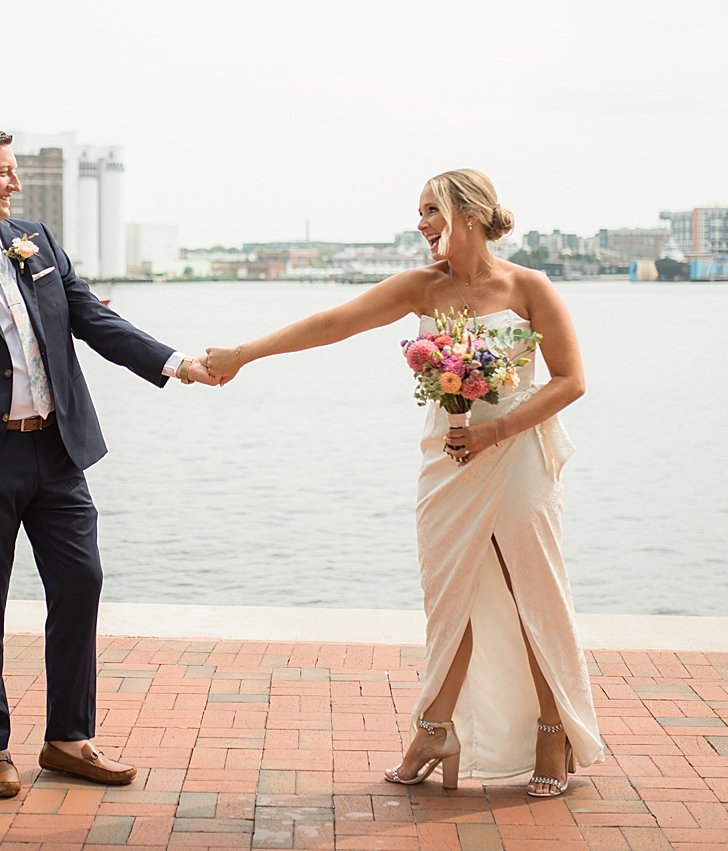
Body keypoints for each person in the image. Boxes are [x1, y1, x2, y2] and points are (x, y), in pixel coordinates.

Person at [201, 169, 604, 796]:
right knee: (449, 598)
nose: (420, 225)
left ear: (467, 213)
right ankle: (436, 728)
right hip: (447, 458)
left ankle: (553, 735)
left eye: (429, 212)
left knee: (533, 591)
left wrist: (497, 432)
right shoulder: (423, 288)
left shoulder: (530, 287)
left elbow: (569, 381)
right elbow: (333, 322)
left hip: (516, 455)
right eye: (419, 214)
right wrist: (243, 354)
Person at [0, 124, 219, 799]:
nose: (15, 183)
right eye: (2, 170)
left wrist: (175, 362)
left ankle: (67, 739)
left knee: (82, 581)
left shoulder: (36, 240)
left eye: (15, 170)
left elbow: (88, 315)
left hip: (58, 449)